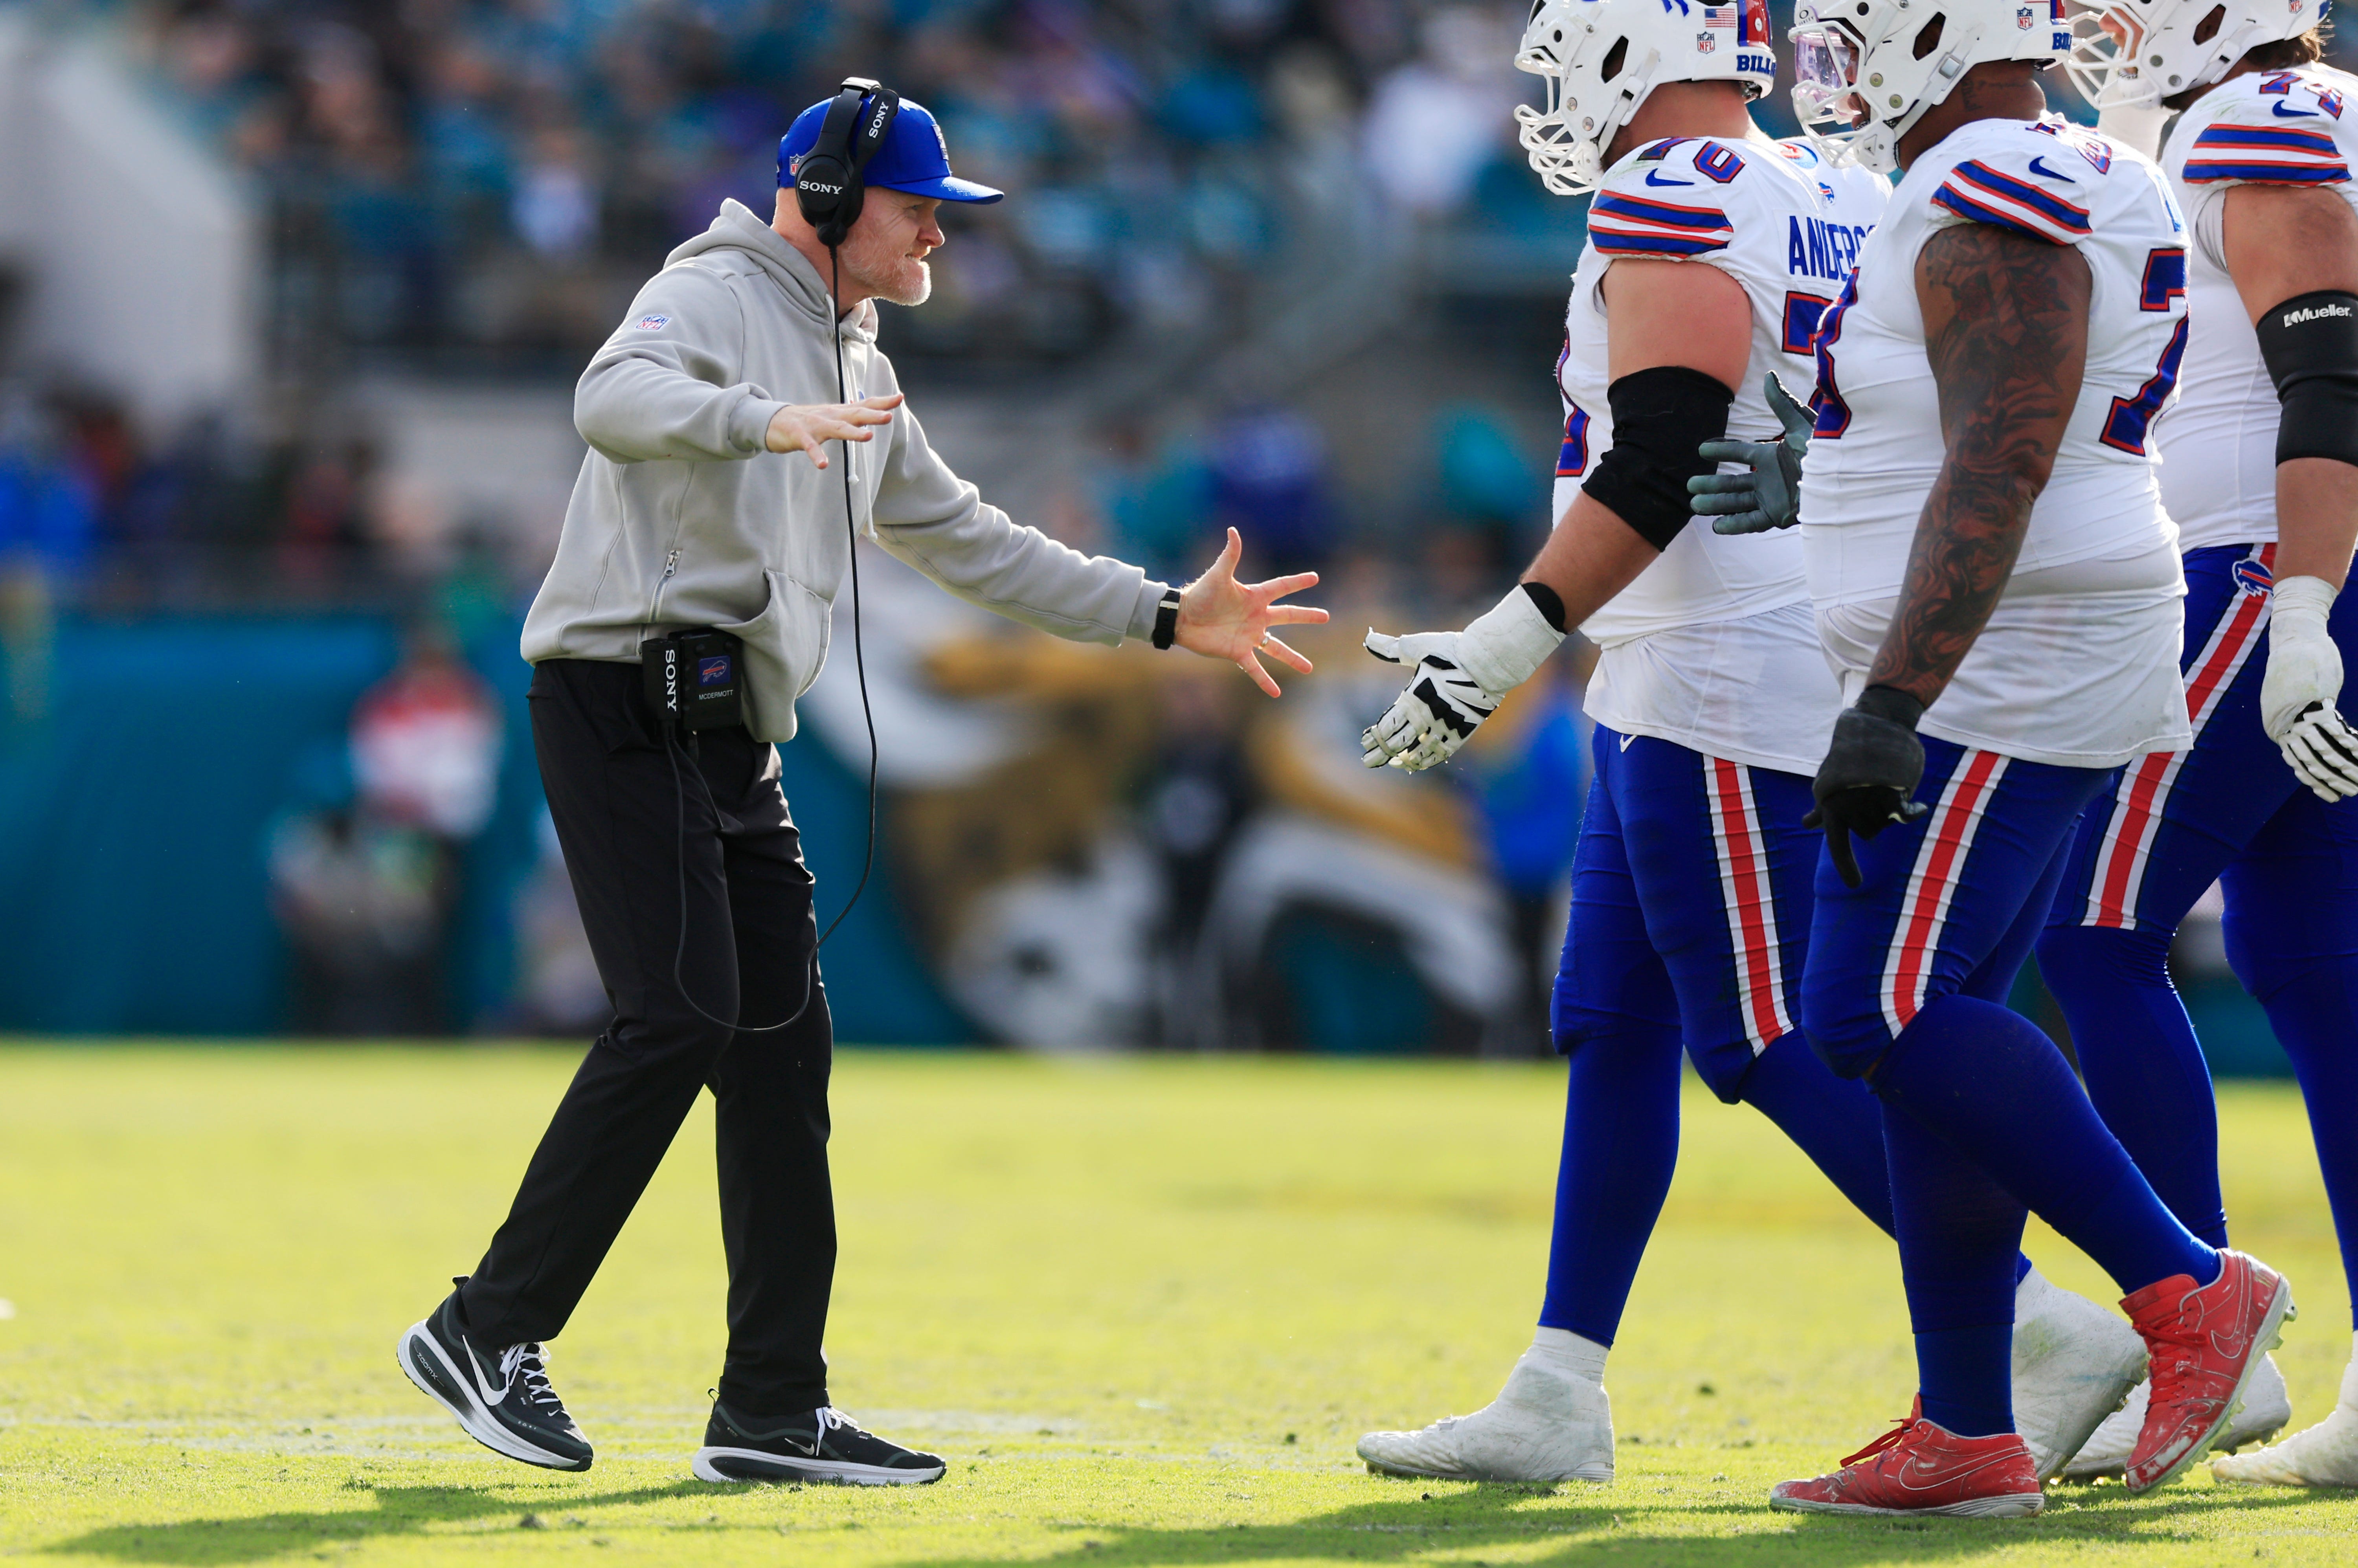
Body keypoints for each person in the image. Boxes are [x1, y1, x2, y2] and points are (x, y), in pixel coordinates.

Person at [394, 80, 1326, 1488]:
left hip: (721, 730)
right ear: (826, 200)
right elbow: (611, 396)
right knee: (686, 1014)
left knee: (780, 1044)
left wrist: (1157, 615)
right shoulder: (709, 289)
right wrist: (762, 420)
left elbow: (964, 535)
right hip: (617, 702)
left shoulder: (853, 341)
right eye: (920, 210)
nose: (943, 238)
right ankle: (484, 1328)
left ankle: (770, 1408)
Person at [1348, 0, 2137, 1486]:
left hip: (1721, 662)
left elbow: (1655, 455)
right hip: (1719, 647)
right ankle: (1559, 1387)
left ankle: (2053, 1321)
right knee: (1614, 1022)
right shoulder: (1836, 184)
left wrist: (1501, 643)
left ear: (1629, 60)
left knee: (1768, 1029)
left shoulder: (1680, 186)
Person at [1747, 0, 2293, 1516]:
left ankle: (2187, 1286)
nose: (1831, 66)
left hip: (2008, 652)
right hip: (2007, 639)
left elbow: (2009, 443)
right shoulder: (2026, 158)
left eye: (1859, 31)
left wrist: (1890, 697)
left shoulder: (1994, 170)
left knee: (1873, 1008)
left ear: (1940, 29)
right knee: (1937, 1024)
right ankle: (1968, 1429)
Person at [2031, 2, 2358, 1486]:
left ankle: (2198, 1333)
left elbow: (2332, 378)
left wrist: (2300, 608)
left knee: (2091, 924)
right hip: (2297, 575)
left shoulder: (2253, 122)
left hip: (2262, 574)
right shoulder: (2311, 112)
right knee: (2317, 970)